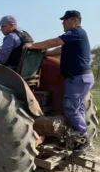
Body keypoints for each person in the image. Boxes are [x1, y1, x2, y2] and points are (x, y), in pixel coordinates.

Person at [23, 10, 94, 155]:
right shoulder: (75, 38)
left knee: (71, 108)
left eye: (65, 20)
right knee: (78, 108)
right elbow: (59, 49)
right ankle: (78, 138)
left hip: (78, 78)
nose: (63, 22)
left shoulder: (77, 32)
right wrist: (46, 54)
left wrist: (33, 46)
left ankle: (83, 141)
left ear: (74, 20)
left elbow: (55, 41)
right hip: (80, 78)